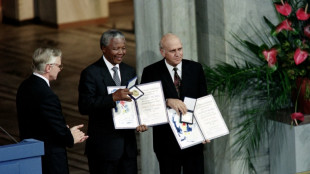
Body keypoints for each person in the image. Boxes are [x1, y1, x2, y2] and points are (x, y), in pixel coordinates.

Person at [78, 29, 147, 174]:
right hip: (104, 150)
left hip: (128, 149)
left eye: (123, 48)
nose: (121, 52)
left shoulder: (130, 71)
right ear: (104, 49)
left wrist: (141, 119)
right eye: (116, 49)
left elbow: (135, 102)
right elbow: (84, 106)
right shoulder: (91, 73)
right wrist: (112, 98)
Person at [141, 33, 209, 174]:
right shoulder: (150, 72)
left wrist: (206, 129)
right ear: (163, 52)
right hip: (166, 143)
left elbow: (203, 101)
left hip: (194, 141)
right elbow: (145, 104)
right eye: (173, 51)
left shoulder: (195, 68)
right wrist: (166, 101)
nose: (178, 54)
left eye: (180, 49)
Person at [16, 47, 88, 174]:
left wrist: (64, 130)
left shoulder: (24, 86)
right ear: (48, 68)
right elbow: (57, 127)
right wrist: (70, 136)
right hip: (49, 159)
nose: (60, 69)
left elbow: (39, 123)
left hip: (29, 155)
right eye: (59, 66)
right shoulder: (47, 95)